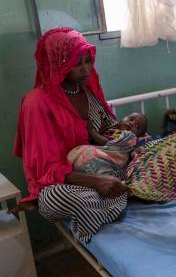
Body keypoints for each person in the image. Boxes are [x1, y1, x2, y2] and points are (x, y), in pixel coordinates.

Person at [12, 27, 129, 243]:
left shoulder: (87, 91)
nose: (86, 69)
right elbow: (45, 170)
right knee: (53, 199)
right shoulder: (36, 104)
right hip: (70, 182)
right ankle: (124, 192)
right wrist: (96, 182)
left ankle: (123, 191)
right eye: (77, 63)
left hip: (105, 164)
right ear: (58, 63)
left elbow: (109, 132)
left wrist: (128, 136)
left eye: (88, 61)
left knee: (164, 146)